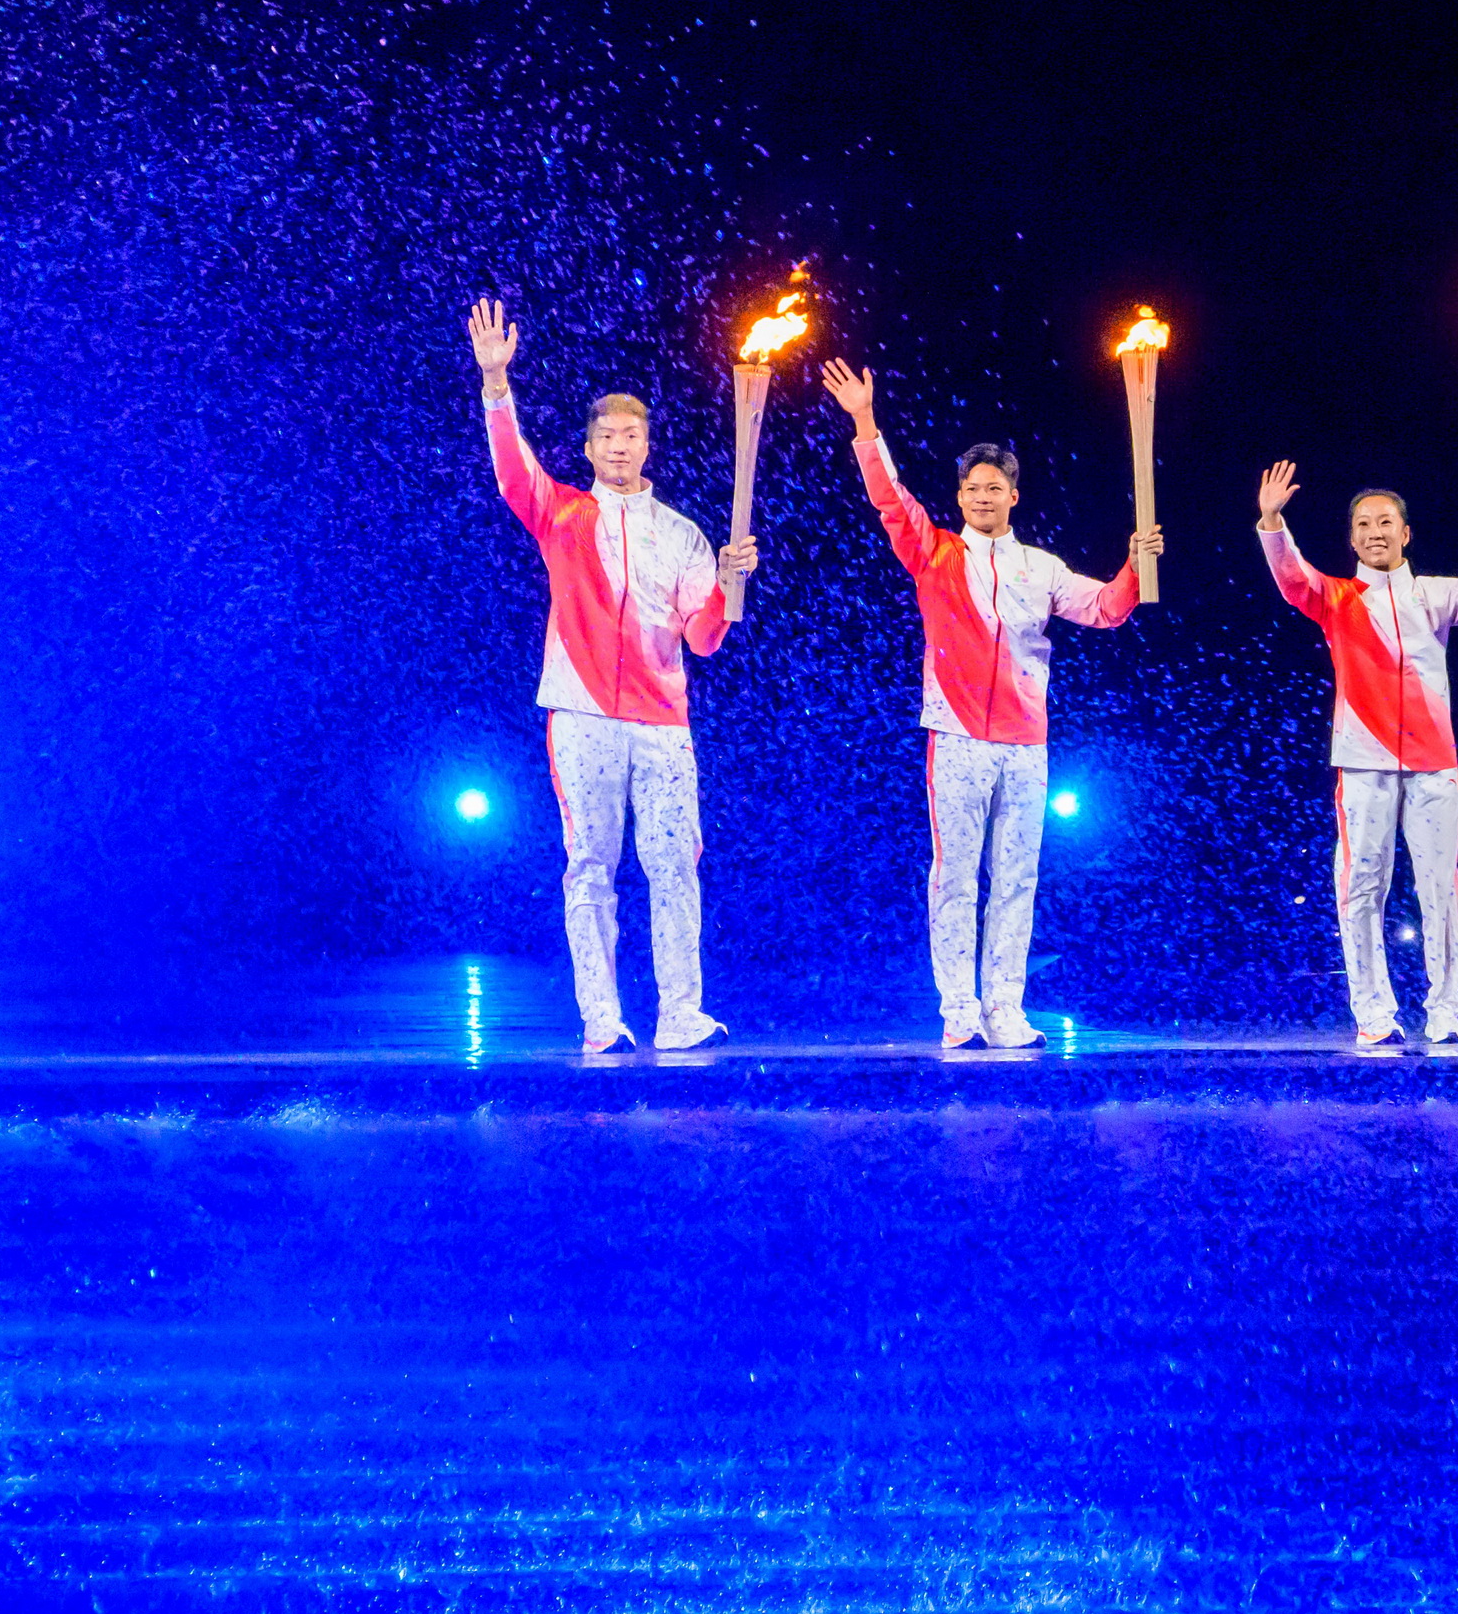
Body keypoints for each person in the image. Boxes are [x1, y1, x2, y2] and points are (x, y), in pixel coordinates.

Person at [821, 356, 1163, 1048]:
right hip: (955, 736)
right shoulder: (934, 552)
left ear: (1014, 495)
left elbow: (1104, 609)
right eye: (973, 487)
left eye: (994, 487)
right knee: (954, 876)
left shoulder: (1041, 567)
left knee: (1015, 879)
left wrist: (1135, 564)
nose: (982, 496)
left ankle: (1005, 1007)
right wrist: (864, 421)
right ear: (960, 496)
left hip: (1025, 743)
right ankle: (958, 1008)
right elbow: (889, 498)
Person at [470, 297, 756, 1053]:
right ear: (590, 447)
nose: (619, 446)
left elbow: (704, 640)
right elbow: (512, 472)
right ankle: (602, 1019)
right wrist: (496, 383)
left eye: (631, 435)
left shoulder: (684, 536)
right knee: (590, 866)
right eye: (606, 436)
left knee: (675, 867)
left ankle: (680, 1014)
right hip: (582, 714)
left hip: (662, 724)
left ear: (647, 445)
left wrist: (728, 593)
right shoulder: (561, 513)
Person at [1256, 459, 1458, 1045]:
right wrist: (1272, 522)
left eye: (1386, 522)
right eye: (1364, 524)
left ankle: (1445, 1011)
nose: (1375, 532)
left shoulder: (1435, 596)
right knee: (1362, 888)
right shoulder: (1336, 598)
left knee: (1440, 890)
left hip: (1434, 765)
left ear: (1406, 533)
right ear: (1352, 539)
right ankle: (1373, 1015)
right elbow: (1293, 580)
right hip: (1362, 764)